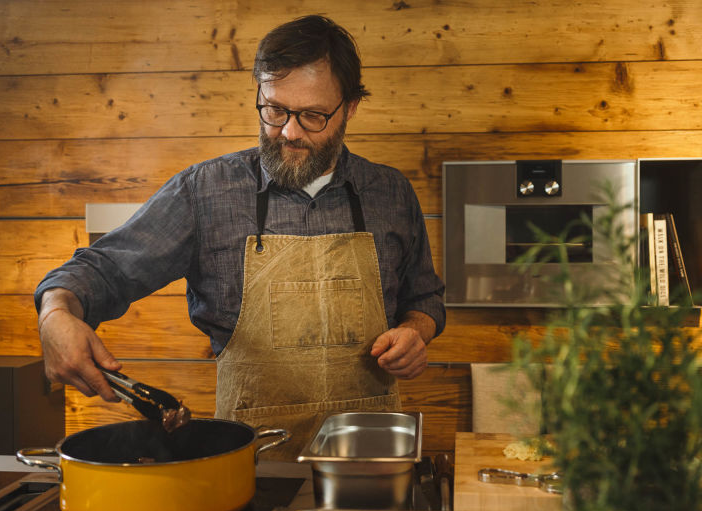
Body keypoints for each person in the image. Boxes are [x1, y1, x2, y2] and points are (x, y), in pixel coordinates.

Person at [34, 15, 445, 458]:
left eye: (312, 116)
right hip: (253, 463)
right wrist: (55, 314)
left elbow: (424, 300)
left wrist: (414, 333)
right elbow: (102, 270)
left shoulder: (390, 192)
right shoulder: (205, 191)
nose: (289, 131)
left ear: (349, 109)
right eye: (274, 110)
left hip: (370, 461)